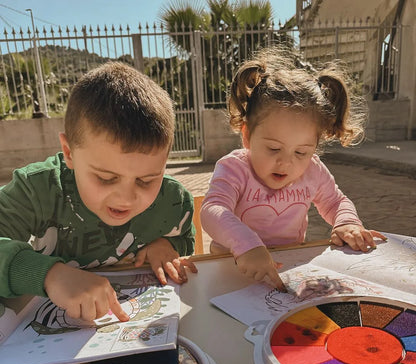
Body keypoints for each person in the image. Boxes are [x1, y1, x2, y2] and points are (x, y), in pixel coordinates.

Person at [0, 61, 197, 322]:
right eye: (106, 178)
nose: (125, 198)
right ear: (69, 152)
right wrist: (50, 275)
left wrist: (167, 244)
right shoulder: (37, 189)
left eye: (147, 180)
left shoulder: (172, 201)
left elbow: (184, 238)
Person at [200, 46, 385, 291]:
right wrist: (247, 245)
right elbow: (212, 210)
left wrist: (347, 222)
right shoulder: (235, 168)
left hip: (287, 269)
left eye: (301, 152)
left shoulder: (313, 171)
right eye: (273, 149)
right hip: (231, 268)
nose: (286, 163)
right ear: (247, 136)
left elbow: (335, 202)